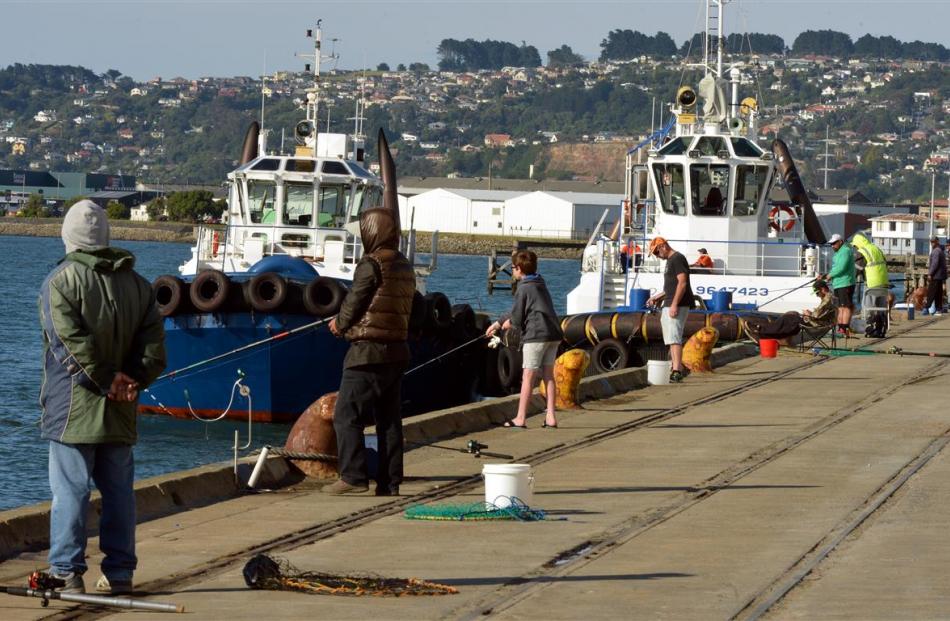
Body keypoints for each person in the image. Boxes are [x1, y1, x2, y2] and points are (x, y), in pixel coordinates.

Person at [39, 200, 166, 595]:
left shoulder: (59, 282)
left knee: (71, 492)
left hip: (73, 410)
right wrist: (133, 381)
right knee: (118, 493)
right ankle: (121, 572)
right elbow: (154, 349)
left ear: (68, 236)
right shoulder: (139, 286)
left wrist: (108, 380)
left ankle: (66, 571)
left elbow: (68, 345)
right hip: (121, 409)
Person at [325, 206, 415, 496]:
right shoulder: (404, 265)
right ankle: (389, 483)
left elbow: (356, 301)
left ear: (371, 232)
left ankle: (353, 476)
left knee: (346, 414)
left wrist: (339, 324)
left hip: (368, 353)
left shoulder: (371, 263)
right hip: (398, 351)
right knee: (388, 420)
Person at [486, 250, 563, 429]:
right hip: (553, 334)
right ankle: (551, 416)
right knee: (548, 375)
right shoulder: (539, 282)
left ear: (519, 269)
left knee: (528, 376)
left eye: (513, 267)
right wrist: (498, 323)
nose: (512, 270)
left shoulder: (524, 287)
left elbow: (517, 318)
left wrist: (506, 324)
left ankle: (520, 418)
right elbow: (518, 310)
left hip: (536, 335)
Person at [645, 237, 695, 383]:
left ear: (663, 246)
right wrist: (658, 297)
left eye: (656, 252)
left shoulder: (677, 258)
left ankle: (677, 370)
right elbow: (671, 287)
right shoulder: (670, 261)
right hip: (669, 302)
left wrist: (674, 304)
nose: (656, 256)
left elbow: (682, 283)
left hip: (677, 304)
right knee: (671, 338)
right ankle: (675, 367)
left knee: (674, 337)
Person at [822, 233, 856, 336]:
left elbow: (841, 268)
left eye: (834, 243)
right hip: (838, 284)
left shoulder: (845, 251)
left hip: (845, 283)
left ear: (840, 242)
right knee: (840, 307)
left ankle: (845, 328)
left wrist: (830, 275)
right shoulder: (838, 253)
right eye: (831, 244)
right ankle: (840, 327)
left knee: (846, 307)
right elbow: (835, 268)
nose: (832, 246)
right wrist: (827, 276)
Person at [925, 236, 946, 316]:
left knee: (931, 292)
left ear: (937, 241)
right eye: (931, 242)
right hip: (940, 275)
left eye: (933, 241)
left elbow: (935, 264)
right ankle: (938, 309)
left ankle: (926, 308)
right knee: (938, 293)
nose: (932, 243)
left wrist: (930, 273)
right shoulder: (940, 250)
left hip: (936, 275)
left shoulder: (936, 251)